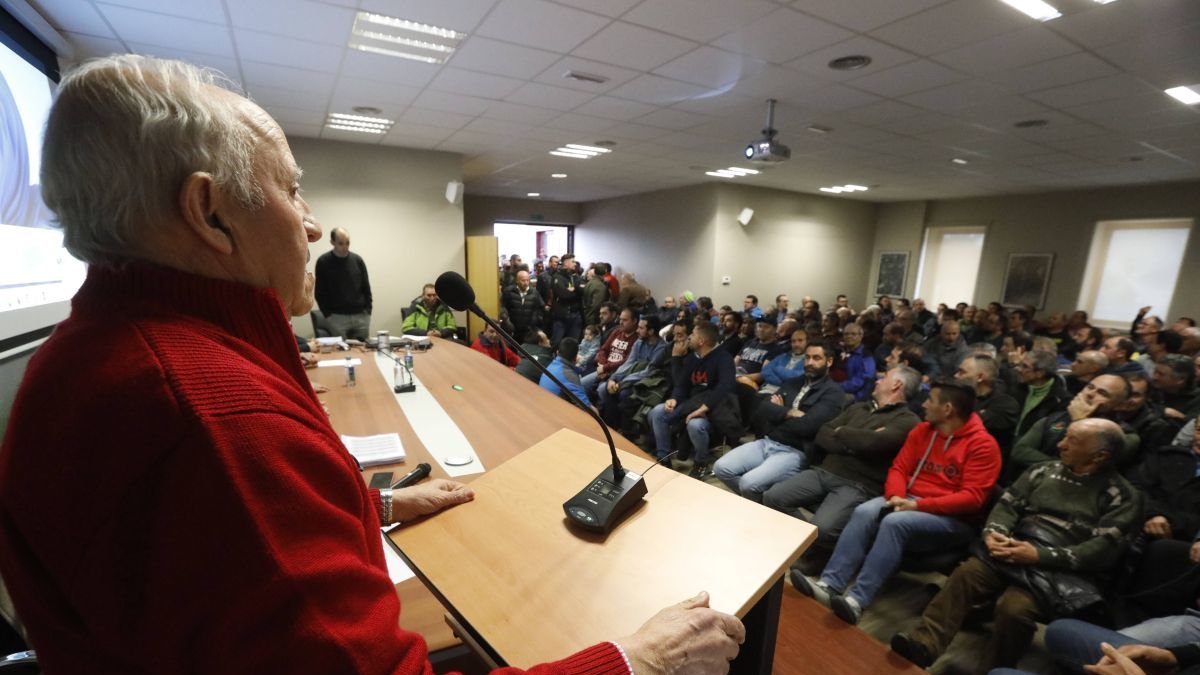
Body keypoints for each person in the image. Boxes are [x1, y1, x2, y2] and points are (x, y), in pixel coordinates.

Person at [0, 54, 743, 674]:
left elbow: (229, 567)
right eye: (291, 189)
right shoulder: (214, 423)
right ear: (210, 212)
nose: (313, 222)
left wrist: (371, 506)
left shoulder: (95, 353)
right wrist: (634, 661)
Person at [891, 419, 1141, 673]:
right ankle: (923, 646)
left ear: (1099, 456)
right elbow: (1007, 506)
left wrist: (1038, 555)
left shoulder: (1121, 496)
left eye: (1072, 440)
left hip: (1059, 570)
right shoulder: (1042, 471)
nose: (1061, 444)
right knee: (967, 575)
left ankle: (997, 670)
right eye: (1065, 436)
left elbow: (1101, 551)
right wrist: (994, 534)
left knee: (1013, 609)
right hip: (1012, 548)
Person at [791, 381, 1002, 625]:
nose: (923, 404)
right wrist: (895, 496)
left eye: (930, 400)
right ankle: (831, 583)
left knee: (894, 523)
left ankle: (857, 601)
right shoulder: (922, 431)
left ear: (947, 409)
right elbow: (899, 468)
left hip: (953, 518)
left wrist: (917, 506)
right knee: (864, 511)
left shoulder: (984, 445)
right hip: (908, 501)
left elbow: (972, 499)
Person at [762, 366, 922, 575]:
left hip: (858, 483)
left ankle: (816, 553)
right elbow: (823, 434)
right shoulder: (859, 407)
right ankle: (806, 543)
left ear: (897, 385)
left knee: (825, 528)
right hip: (825, 470)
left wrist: (843, 432)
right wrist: (857, 439)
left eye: (884, 378)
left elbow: (875, 444)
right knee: (772, 497)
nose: (877, 381)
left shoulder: (908, 420)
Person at [712, 341, 843, 500]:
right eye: (807, 358)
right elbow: (762, 409)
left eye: (816, 358)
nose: (809, 363)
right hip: (769, 440)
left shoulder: (833, 393)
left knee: (748, 483)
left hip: (795, 451)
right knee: (721, 468)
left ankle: (763, 506)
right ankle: (761, 505)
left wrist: (778, 414)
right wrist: (789, 412)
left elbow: (808, 426)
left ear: (829, 362)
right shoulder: (793, 382)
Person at [647, 322, 737, 480]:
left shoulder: (723, 358)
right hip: (689, 405)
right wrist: (674, 398)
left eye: (693, 335)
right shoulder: (693, 358)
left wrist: (704, 408)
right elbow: (682, 384)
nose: (689, 337)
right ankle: (664, 458)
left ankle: (701, 463)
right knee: (658, 412)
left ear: (701, 340)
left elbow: (725, 388)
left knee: (695, 425)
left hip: (713, 410)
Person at [314, 226, 372, 340]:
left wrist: (368, 310)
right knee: (341, 352)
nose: (345, 247)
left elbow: (366, 288)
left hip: (361, 316)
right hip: (336, 317)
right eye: (341, 243)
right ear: (332, 242)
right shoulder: (323, 262)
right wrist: (328, 315)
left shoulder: (357, 260)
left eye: (347, 243)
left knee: (364, 351)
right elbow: (319, 292)